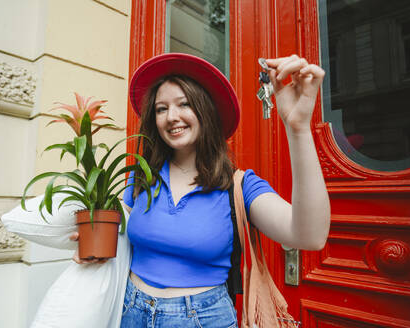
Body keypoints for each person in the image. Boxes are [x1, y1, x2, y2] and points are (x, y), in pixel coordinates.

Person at [72, 53, 330, 327]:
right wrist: (92, 248)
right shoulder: (140, 179)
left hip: (202, 319)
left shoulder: (239, 186)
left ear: (204, 111)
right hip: (130, 312)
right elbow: (117, 238)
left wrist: (298, 128)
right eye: (161, 109)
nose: (172, 117)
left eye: (184, 104)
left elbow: (309, 237)